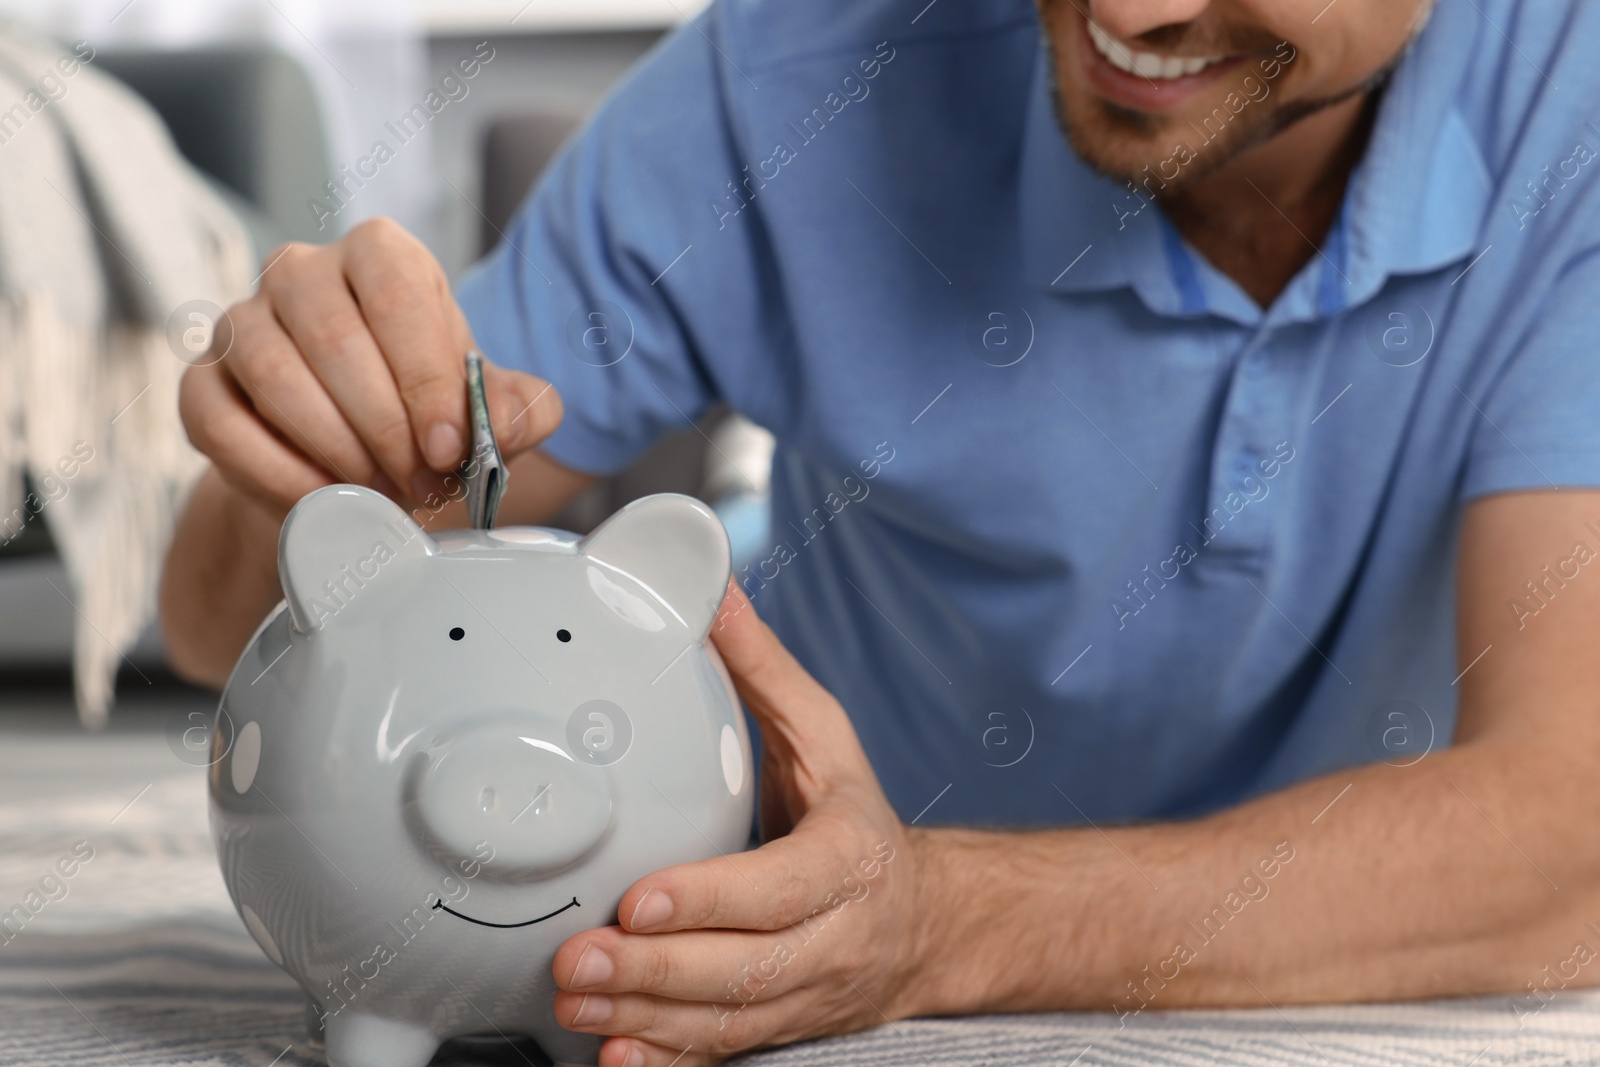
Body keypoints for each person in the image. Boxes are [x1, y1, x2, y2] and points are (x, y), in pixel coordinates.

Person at [160, 0, 1600, 1063]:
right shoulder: (799, 65)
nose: (1130, 13)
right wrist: (294, 447)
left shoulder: (1576, 116)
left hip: (1317, 970)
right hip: (794, 898)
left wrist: (943, 923)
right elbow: (222, 621)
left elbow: (1569, 835)